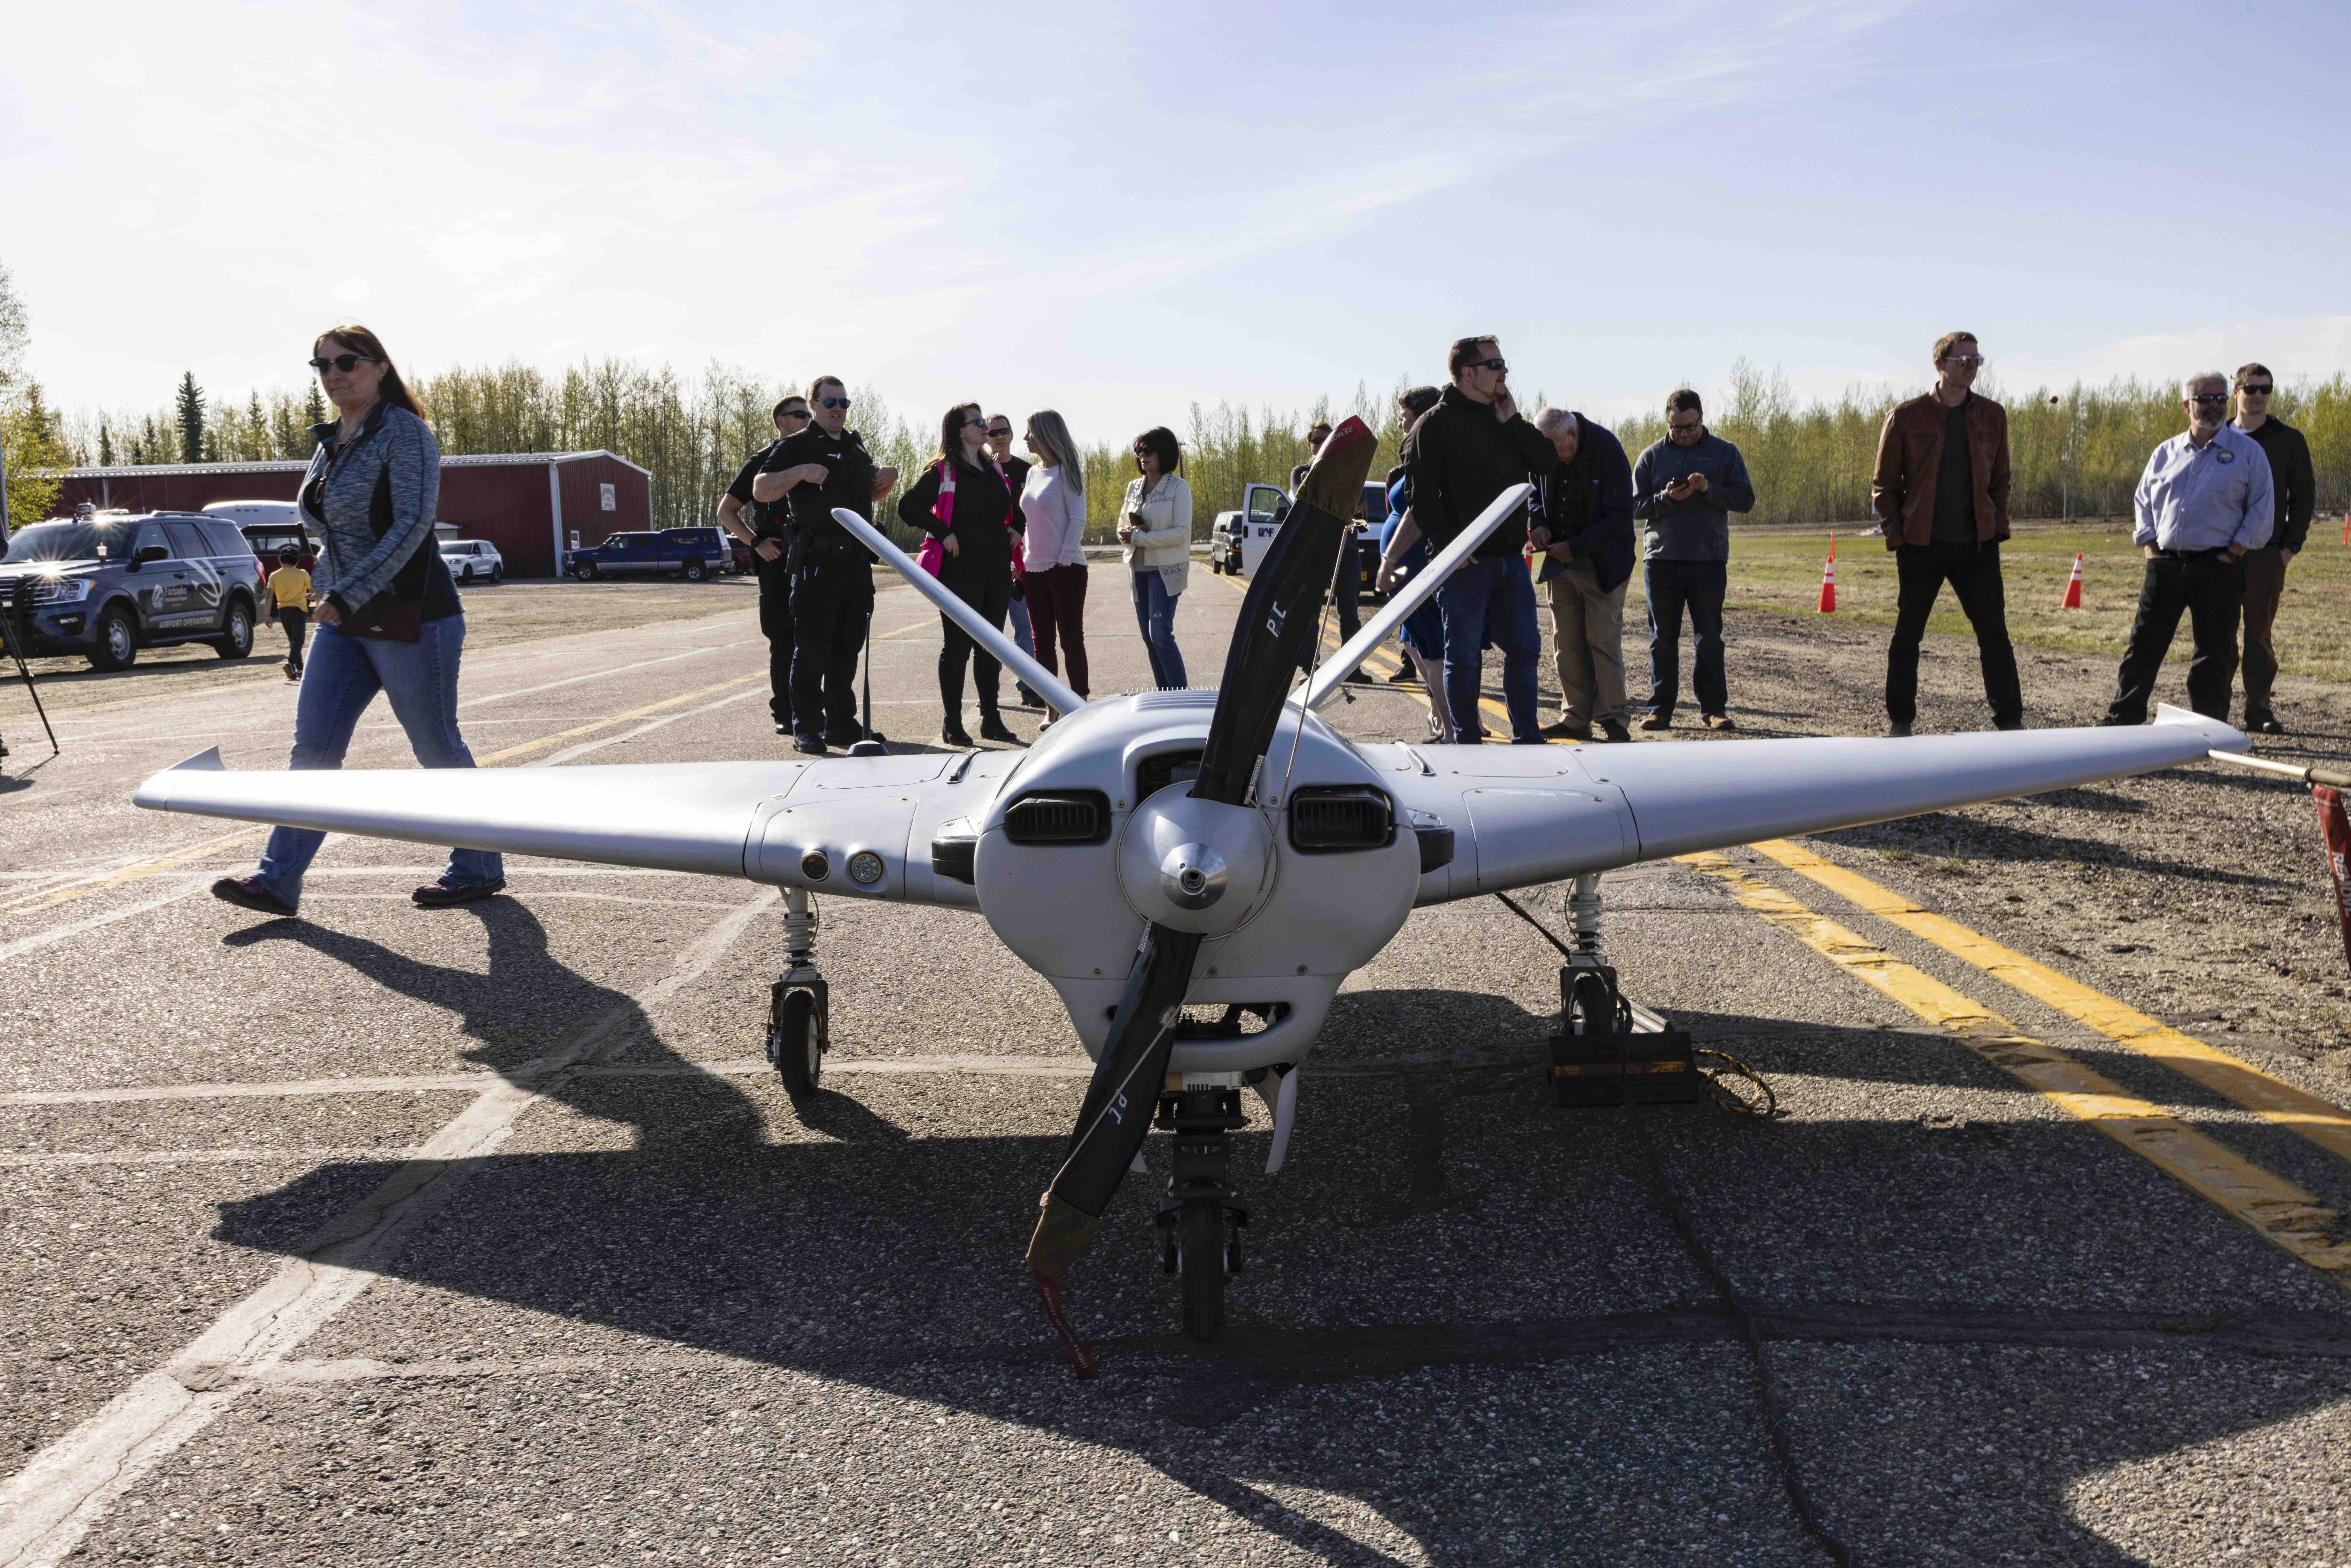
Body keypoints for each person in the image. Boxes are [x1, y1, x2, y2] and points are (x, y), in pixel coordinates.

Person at [210, 323, 503, 918]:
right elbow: (331, 526)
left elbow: (413, 525)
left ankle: (478, 863)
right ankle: (277, 880)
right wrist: (334, 593)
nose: (334, 374)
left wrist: (348, 592)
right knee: (312, 748)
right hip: (342, 617)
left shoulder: (406, 433)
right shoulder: (330, 441)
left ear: (380, 368)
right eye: (322, 365)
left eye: (347, 362)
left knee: (436, 744)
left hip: (412, 612)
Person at [1378, 335, 1557, 745]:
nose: (1504, 371)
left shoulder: (1503, 417)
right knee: (1462, 657)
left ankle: (1527, 737)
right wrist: (1450, 548)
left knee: (1526, 650)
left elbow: (1547, 463)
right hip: (1464, 566)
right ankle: (1466, 741)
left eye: (1504, 363)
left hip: (1511, 560)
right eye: (1495, 365)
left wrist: (1514, 422)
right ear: (1467, 373)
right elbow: (1420, 500)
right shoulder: (1434, 426)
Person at [1869, 332, 2022, 737]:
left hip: (1978, 546)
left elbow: (2002, 479)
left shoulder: (1993, 416)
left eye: (1977, 360)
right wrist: (1897, 537)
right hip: (1922, 545)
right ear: (1941, 364)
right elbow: (1884, 486)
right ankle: (1901, 723)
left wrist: (1998, 527)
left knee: (1994, 635)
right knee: (1908, 636)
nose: (1971, 367)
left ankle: (2011, 723)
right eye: (1963, 360)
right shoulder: (1906, 416)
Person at [2101, 372, 2274, 726]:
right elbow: (2142, 501)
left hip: (2218, 566)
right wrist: (2149, 546)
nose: (2214, 406)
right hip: (2164, 566)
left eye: (2220, 399)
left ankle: (2206, 728)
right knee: (2143, 647)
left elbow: (2261, 506)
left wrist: (2234, 552)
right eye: (2204, 399)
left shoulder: (2246, 453)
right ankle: (2123, 719)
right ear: (2186, 405)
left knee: (2213, 654)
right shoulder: (2165, 453)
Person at [752, 376, 898, 755]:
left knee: (847, 648)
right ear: (814, 405)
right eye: (830, 401)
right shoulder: (798, 445)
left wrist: (886, 481)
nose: (838, 409)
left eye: (844, 402)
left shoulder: (854, 446)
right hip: (817, 564)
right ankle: (806, 728)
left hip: (856, 564)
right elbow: (762, 488)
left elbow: (869, 497)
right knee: (812, 650)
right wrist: (799, 472)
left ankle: (841, 725)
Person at [899, 402, 1022, 746]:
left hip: (996, 572)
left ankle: (991, 720)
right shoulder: (943, 471)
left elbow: (1014, 508)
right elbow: (907, 507)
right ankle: (952, 723)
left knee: (991, 648)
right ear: (960, 431)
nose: (985, 427)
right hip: (959, 574)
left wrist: (1018, 529)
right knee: (957, 648)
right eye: (978, 422)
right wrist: (942, 531)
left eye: (985, 421)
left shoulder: (992, 468)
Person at [1632, 390, 1755, 731]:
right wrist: (1665, 499)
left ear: (1701, 418)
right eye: (1676, 428)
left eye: (1690, 427)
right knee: (1662, 639)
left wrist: (1708, 491)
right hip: (1661, 561)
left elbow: (1746, 499)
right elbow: (1633, 506)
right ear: (1667, 421)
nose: (1684, 434)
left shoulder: (1725, 453)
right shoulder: (1651, 457)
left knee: (1710, 638)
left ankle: (1713, 709)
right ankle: (1660, 709)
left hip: (1708, 560)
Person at [1529, 407, 1636, 743]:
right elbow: (1533, 493)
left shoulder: (1607, 450)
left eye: (1556, 449)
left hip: (1601, 564)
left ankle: (1613, 718)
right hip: (1560, 564)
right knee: (1567, 643)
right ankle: (1575, 717)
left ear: (1572, 435)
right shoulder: (1548, 450)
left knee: (1602, 642)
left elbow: (1619, 518)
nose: (1551, 458)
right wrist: (1539, 525)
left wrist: (1575, 547)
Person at [719, 395, 813, 737]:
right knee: (783, 639)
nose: (807, 419)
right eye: (800, 414)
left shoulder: (821, 456)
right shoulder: (761, 461)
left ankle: (818, 713)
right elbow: (726, 511)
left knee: (818, 638)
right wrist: (756, 543)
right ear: (781, 422)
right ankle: (784, 712)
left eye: (809, 414)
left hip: (816, 557)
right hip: (778, 559)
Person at [2229, 363, 2315, 734]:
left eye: (2267, 389)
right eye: (2251, 389)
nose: (2259, 396)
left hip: (2267, 554)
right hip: (2221, 554)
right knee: (2216, 635)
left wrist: (2289, 549)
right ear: (2237, 393)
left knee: (2258, 635)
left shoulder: (2288, 440)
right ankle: (2212, 708)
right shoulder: (2220, 438)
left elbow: (2304, 496)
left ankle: (2258, 709)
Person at [1380, 387, 1451, 738]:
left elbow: (1417, 510)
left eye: (1404, 416)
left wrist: (1390, 557)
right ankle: (1441, 710)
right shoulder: (1414, 452)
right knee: (1411, 642)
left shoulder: (1429, 454)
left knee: (1433, 648)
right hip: (1406, 573)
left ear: (1422, 415)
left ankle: (1454, 728)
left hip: (1418, 568)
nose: (1399, 423)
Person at [1018, 409, 1091, 717]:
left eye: (1030, 432)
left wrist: (1062, 559)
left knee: (1071, 639)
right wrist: (1023, 557)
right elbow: (1028, 520)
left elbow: (1078, 519)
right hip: (1032, 569)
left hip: (1066, 569)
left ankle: (1079, 707)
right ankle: (1052, 709)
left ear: (1046, 434)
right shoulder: (1032, 473)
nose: (1025, 438)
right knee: (1042, 641)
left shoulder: (1068, 472)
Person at [1120, 426, 1192, 690]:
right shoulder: (1133, 487)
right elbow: (1121, 523)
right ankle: (1165, 695)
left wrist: (1140, 539)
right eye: (1139, 451)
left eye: (1148, 451)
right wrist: (1125, 532)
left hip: (1165, 569)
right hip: (1137, 569)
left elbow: (1182, 533)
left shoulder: (1179, 487)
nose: (1142, 456)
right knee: (1149, 639)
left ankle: (1180, 697)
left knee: (1160, 636)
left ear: (1165, 453)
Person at [984, 414, 1044, 708]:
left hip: (1021, 559)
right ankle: (989, 689)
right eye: (992, 431)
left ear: (1011, 434)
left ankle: (1028, 685)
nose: (998, 436)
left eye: (1003, 431)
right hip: (990, 560)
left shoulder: (1027, 470)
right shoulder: (980, 469)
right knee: (991, 632)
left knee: (1024, 627)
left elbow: (1033, 513)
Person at [265, 548, 312, 682]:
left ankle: (301, 670)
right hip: (299, 610)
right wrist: (313, 598)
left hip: (283, 611)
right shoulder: (302, 574)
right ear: (297, 561)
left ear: (280, 560)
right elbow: (314, 591)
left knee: (293, 641)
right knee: (299, 641)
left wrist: (267, 616)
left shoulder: (274, 575)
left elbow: (269, 596)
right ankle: (290, 663)